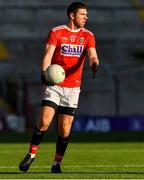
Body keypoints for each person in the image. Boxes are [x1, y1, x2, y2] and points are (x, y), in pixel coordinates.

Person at [19, 1, 99, 173]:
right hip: (54, 84)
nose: (86, 17)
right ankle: (31, 155)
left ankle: (56, 164)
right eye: (82, 14)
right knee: (44, 121)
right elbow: (48, 55)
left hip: (73, 88)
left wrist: (94, 63)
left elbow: (93, 55)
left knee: (64, 128)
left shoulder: (88, 35)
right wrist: (44, 73)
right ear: (72, 15)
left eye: (86, 14)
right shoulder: (57, 32)